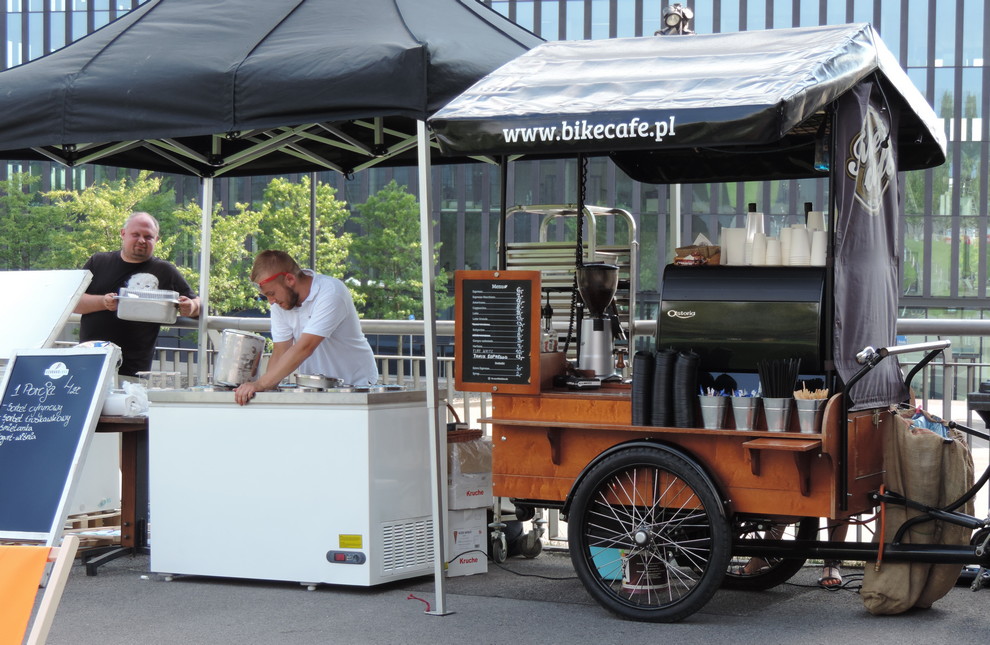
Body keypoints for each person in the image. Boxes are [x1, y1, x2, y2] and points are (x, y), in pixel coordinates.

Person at [234, 250, 378, 405]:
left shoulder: (331, 291)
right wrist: (267, 391)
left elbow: (305, 347)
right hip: (315, 389)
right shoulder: (280, 304)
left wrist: (261, 384)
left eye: (272, 293)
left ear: (289, 279)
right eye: (266, 296)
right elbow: (281, 350)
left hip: (357, 387)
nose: (271, 301)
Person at [74, 212, 201, 378]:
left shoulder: (164, 270)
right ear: (123, 233)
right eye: (136, 235)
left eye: (148, 237)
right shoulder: (98, 262)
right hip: (89, 363)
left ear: (156, 240)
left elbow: (200, 305)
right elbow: (72, 302)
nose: (142, 240)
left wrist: (190, 308)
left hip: (134, 371)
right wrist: (103, 302)